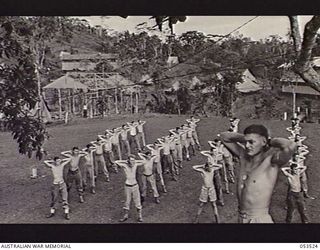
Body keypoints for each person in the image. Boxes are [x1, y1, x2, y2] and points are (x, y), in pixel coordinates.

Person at [220, 124, 296, 223]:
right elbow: (223, 136)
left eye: (251, 142)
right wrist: (246, 138)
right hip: (241, 217)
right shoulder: (243, 156)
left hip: (259, 219)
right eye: (246, 142)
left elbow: (291, 145)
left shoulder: (271, 161)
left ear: (264, 141)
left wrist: (270, 141)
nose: (247, 146)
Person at [116, 155, 144, 222]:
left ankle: (140, 216)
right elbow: (116, 162)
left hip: (135, 186)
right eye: (131, 160)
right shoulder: (125, 166)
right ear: (128, 161)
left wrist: (135, 161)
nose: (132, 162)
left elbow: (144, 162)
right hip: (127, 186)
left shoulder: (135, 165)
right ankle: (125, 216)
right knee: (127, 201)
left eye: (133, 160)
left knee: (137, 201)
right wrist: (125, 161)